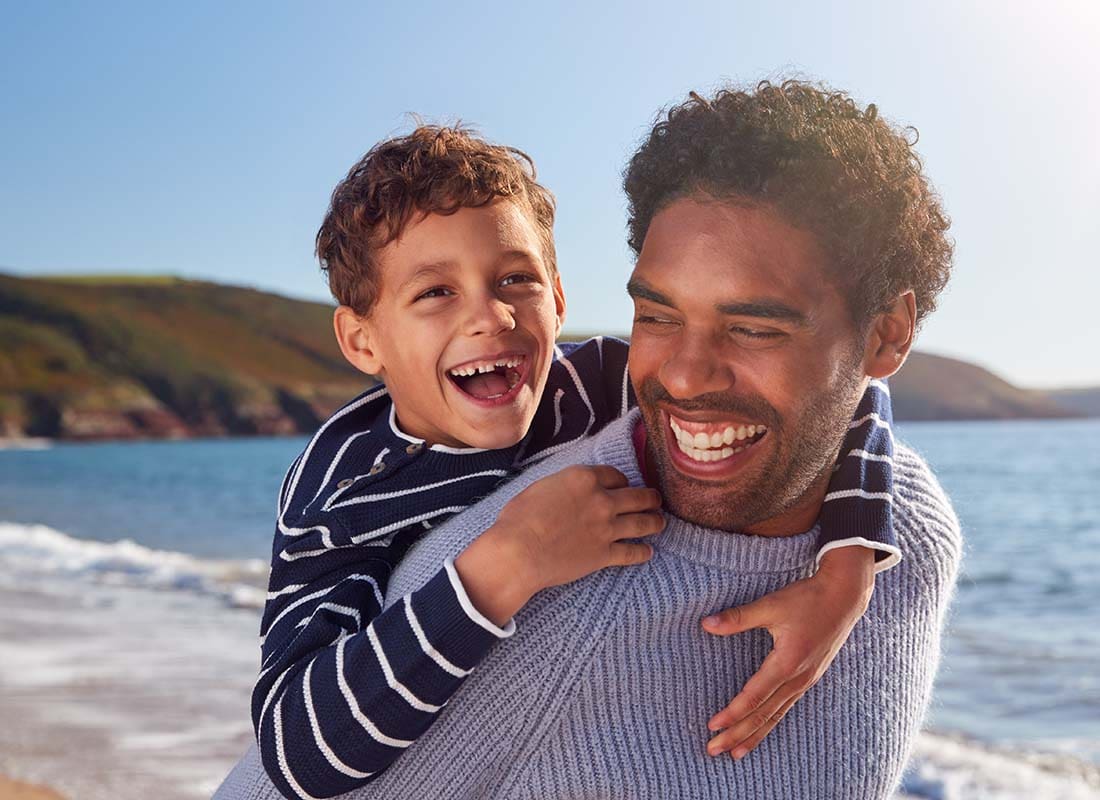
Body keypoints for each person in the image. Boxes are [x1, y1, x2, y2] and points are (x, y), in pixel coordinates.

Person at [245, 117, 906, 800]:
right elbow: (299, 752)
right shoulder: (344, 489)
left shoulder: (599, 382)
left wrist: (850, 562)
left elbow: (850, 391)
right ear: (361, 342)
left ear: (558, 300)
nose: (492, 317)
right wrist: (506, 564)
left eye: (514, 280)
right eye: (435, 292)